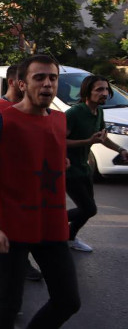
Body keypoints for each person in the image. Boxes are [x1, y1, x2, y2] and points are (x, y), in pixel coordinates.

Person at [0, 55, 80, 328]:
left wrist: (59, 162)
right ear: (22, 84)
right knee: (9, 304)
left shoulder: (59, 120)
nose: (47, 84)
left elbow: (41, 157)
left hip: (52, 225)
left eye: (53, 78)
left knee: (68, 300)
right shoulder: (3, 121)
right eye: (39, 78)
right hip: (12, 226)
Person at [65, 75, 128, 252]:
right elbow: (60, 141)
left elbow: (102, 138)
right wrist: (87, 141)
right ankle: (52, 223)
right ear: (87, 92)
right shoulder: (74, 113)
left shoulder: (98, 112)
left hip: (84, 169)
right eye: (99, 89)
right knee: (89, 209)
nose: (105, 93)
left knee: (87, 209)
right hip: (69, 169)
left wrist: (120, 150)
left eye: (106, 89)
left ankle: (69, 238)